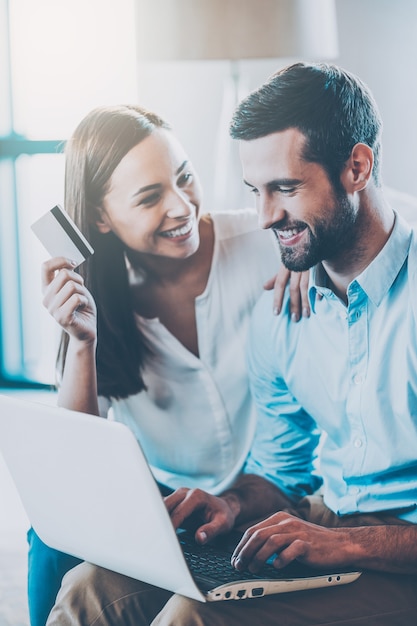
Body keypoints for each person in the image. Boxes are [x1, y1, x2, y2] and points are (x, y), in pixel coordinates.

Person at [46, 63, 417, 626]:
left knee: (193, 617)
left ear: (357, 167)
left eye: (285, 189)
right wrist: (233, 505)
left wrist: (350, 544)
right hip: (325, 515)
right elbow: (280, 470)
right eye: (255, 192)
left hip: (395, 554)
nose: (266, 217)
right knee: (88, 591)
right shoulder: (283, 306)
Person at [29, 104, 309, 626]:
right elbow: (79, 465)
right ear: (100, 219)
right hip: (171, 499)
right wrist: (83, 343)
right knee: (50, 545)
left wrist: (317, 256)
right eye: (150, 197)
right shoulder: (95, 301)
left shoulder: (267, 241)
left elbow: (387, 219)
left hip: (270, 486)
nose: (181, 207)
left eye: (184, 179)